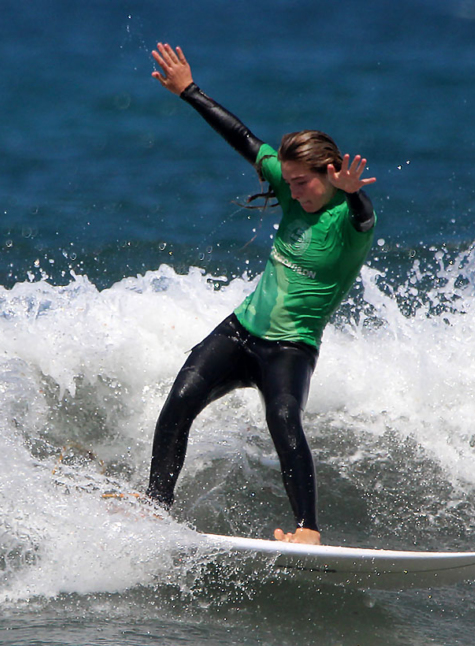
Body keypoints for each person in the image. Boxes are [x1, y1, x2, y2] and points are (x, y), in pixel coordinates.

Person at [146, 43, 377, 545]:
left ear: (330, 174)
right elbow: (245, 139)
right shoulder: (292, 188)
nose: (291, 191)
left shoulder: (348, 221)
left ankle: (308, 529)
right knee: (178, 404)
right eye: (287, 181)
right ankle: (153, 510)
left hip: (290, 348)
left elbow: (364, 216)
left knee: (284, 420)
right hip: (240, 332)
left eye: (302, 183)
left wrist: (353, 191)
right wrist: (189, 91)